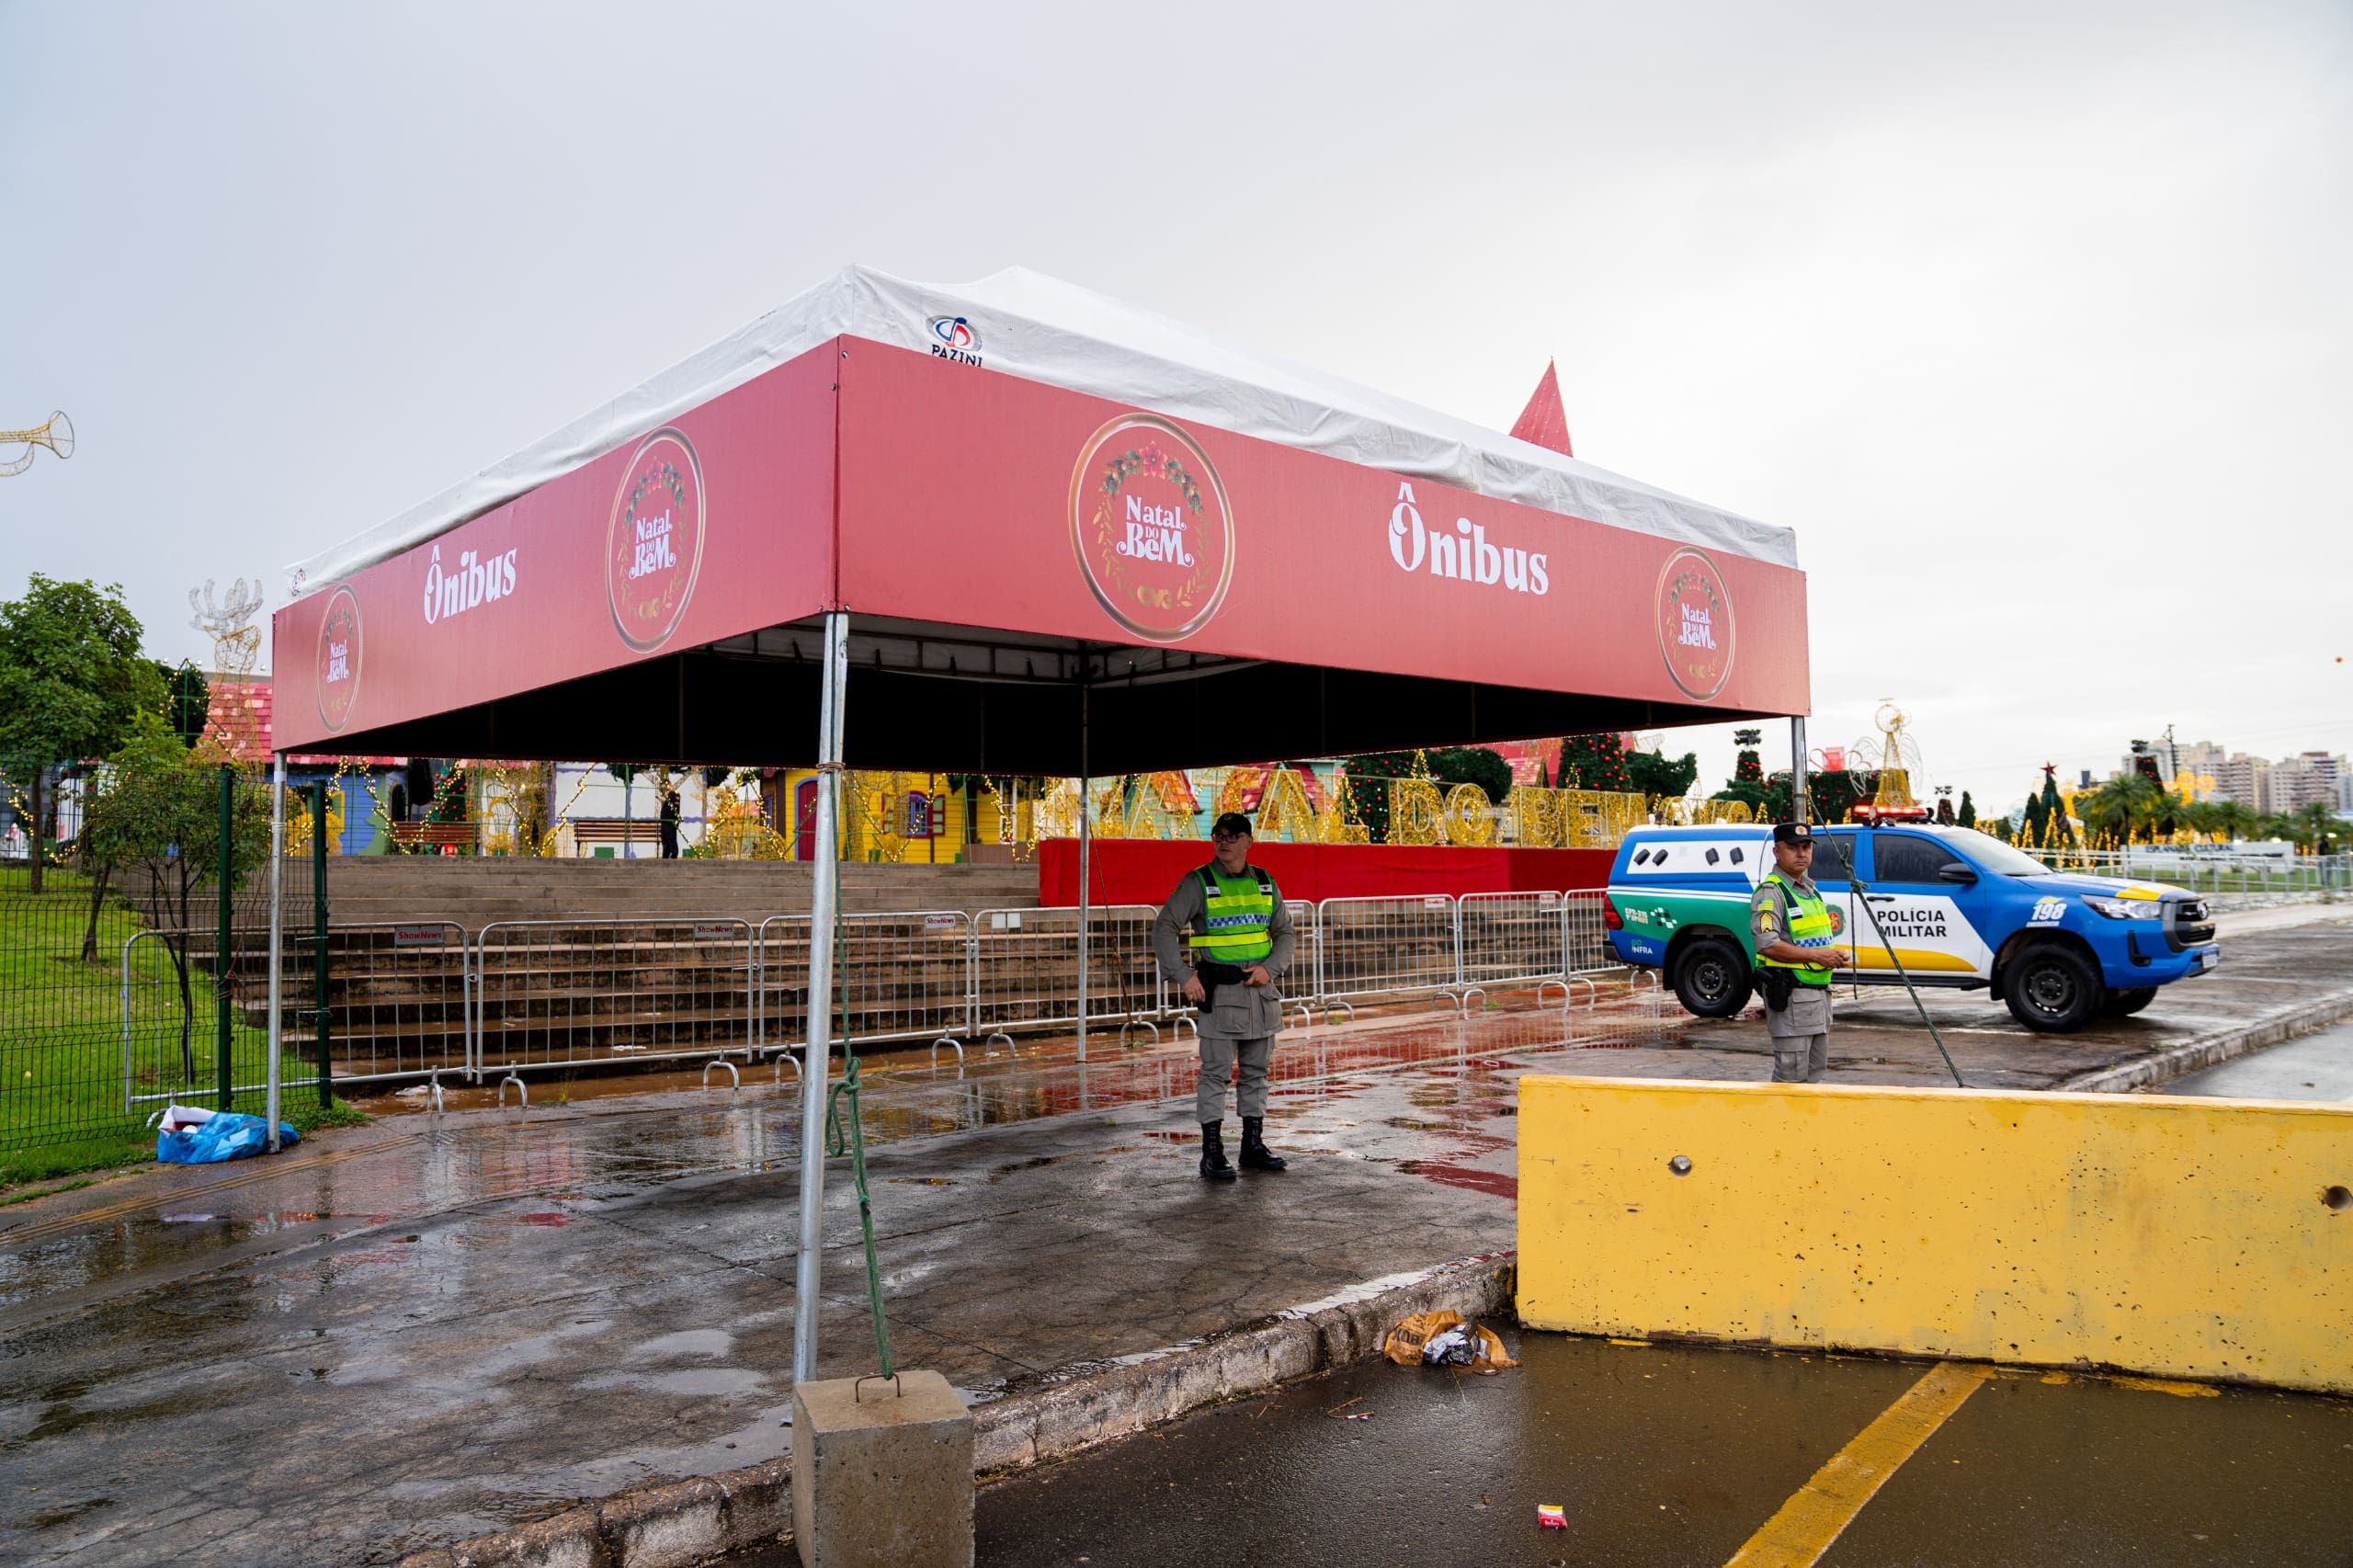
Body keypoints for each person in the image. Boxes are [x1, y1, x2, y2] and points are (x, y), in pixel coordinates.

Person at [1152, 812, 1297, 1181]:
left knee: (1257, 1073)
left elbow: (1285, 933)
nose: (1224, 842)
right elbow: (1165, 926)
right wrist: (1183, 975)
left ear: (1249, 841)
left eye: (1233, 836)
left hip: (1261, 993)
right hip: (1220, 993)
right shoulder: (1199, 882)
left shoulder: (1265, 882)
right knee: (1215, 1074)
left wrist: (1271, 968)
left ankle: (1252, 1146)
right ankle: (1212, 1152)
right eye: (1219, 835)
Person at [1749, 821, 1852, 1084]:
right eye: (1793, 848)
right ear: (1777, 852)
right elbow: (1767, 944)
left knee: (1813, 1081)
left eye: (1806, 847)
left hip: (1818, 1001)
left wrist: (1832, 955)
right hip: (1792, 1001)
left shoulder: (1810, 890)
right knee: (1790, 1082)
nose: (1801, 853)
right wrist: (1818, 957)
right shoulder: (1770, 894)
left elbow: (1812, 942)